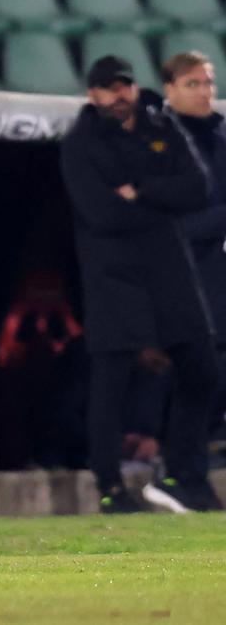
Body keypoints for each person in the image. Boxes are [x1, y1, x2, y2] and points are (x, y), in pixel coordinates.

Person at [60, 56, 220, 514]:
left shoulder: (161, 128)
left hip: (170, 269)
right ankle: (110, 486)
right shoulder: (80, 144)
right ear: (92, 95)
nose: (118, 96)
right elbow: (101, 213)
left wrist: (143, 190)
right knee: (110, 382)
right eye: (108, 89)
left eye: (123, 87)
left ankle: (180, 473)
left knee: (202, 370)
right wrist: (160, 201)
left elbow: (197, 188)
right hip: (113, 276)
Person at [162, 52, 226, 453]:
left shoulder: (221, 138)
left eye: (208, 84)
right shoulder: (158, 142)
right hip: (179, 283)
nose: (204, 93)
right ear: (170, 89)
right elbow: (170, 227)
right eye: (192, 84)